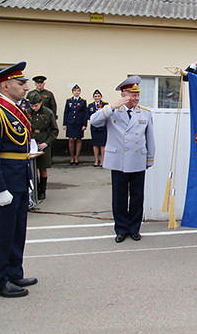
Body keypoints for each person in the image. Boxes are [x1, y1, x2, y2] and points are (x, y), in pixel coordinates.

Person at [89, 76, 155, 243]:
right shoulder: (112, 111)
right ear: (124, 95)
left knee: (137, 197)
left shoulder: (145, 113)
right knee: (119, 198)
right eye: (133, 95)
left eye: (138, 95)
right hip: (118, 161)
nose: (137, 98)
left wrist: (150, 159)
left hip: (137, 160)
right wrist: (112, 106)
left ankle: (134, 228)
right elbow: (94, 122)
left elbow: (150, 137)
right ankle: (121, 229)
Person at [0, 62, 37, 298]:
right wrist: (0, 188)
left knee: (17, 229)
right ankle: (0, 279)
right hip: (6, 180)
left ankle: (13, 271)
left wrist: (28, 178)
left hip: (19, 175)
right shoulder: (0, 110)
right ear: (5, 85)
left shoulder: (14, 108)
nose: (26, 88)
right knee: (2, 232)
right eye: (21, 83)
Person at [26, 92, 58, 200]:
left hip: (43, 140)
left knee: (42, 167)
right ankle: (34, 188)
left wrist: (47, 142)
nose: (34, 108)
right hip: (32, 141)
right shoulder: (27, 112)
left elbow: (54, 130)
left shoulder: (48, 113)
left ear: (40, 103)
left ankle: (42, 190)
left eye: (36, 105)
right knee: (33, 167)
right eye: (32, 105)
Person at [63, 84, 87, 165]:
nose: (77, 92)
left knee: (79, 139)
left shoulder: (83, 101)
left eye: (78, 91)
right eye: (75, 91)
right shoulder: (69, 101)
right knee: (71, 139)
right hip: (70, 123)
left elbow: (85, 113)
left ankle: (76, 157)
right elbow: (66, 112)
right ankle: (72, 157)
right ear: (73, 92)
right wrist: (64, 123)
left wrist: (84, 124)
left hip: (79, 123)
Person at [87, 90, 108, 167]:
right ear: (93, 97)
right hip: (94, 127)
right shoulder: (90, 106)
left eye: (98, 96)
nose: (97, 97)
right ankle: (96, 160)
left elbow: (107, 114)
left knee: (102, 144)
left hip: (102, 127)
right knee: (95, 144)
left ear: (101, 97)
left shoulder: (105, 105)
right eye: (95, 96)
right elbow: (88, 115)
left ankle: (102, 160)